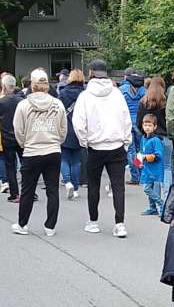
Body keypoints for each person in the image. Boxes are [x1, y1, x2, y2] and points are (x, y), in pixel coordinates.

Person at [73, 59, 132, 238]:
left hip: (95, 146)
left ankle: (93, 221)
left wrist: (85, 142)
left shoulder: (85, 96)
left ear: (90, 72)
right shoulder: (116, 94)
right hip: (116, 145)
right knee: (118, 186)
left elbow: (78, 123)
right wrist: (126, 142)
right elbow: (126, 119)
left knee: (93, 185)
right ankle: (120, 224)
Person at [11, 69, 67, 237]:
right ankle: (50, 226)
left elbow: (18, 130)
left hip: (31, 151)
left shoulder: (23, 105)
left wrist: (24, 144)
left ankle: (22, 224)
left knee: (27, 189)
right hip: (53, 150)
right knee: (52, 190)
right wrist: (57, 141)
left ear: (32, 85)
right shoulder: (58, 104)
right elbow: (63, 129)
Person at [136, 76, 174, 201]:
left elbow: (138, 123)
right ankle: (167, 196)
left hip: (150, 139)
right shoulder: (167, 101)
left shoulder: (144, 102)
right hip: (166, 137)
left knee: (154, 168)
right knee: (167, 167)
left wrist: (145, 133)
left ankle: (156, 199)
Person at [0, 74, 23, 202]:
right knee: (25, 164)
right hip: (21, 136)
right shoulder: (22, 101)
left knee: (10, 166)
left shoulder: (0, 102)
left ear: (4, 86)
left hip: (7, 137)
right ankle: (30, 192)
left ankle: (15, 193)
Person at [59, 69, 85, 200]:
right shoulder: (85, 94)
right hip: (79, 130)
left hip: (65, 128)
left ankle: (67, 182)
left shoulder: (63, 93)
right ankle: (75, 188)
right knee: (76, 161)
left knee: (63, 159)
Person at [119, 67, 146, 185]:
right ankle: (142, 173)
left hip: (126, 122)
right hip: (140, 121)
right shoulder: (143, 90)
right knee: (141, 149)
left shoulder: (121, 89)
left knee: (131, 150)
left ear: (126, 76)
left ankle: (135, 176)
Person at [138, 114, 164, 215]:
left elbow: (158, 155)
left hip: (155, 169)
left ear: (155, 127)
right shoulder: (143, 138)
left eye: (150, 125)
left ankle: (161, 204)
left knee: (147, 188)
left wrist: (146, 157)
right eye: (145, 125)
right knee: (150, 188)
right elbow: (140, 151)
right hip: (146, 169)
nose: (147, 128)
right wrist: (139, 162)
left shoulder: (156, 140)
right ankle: (152, 208)